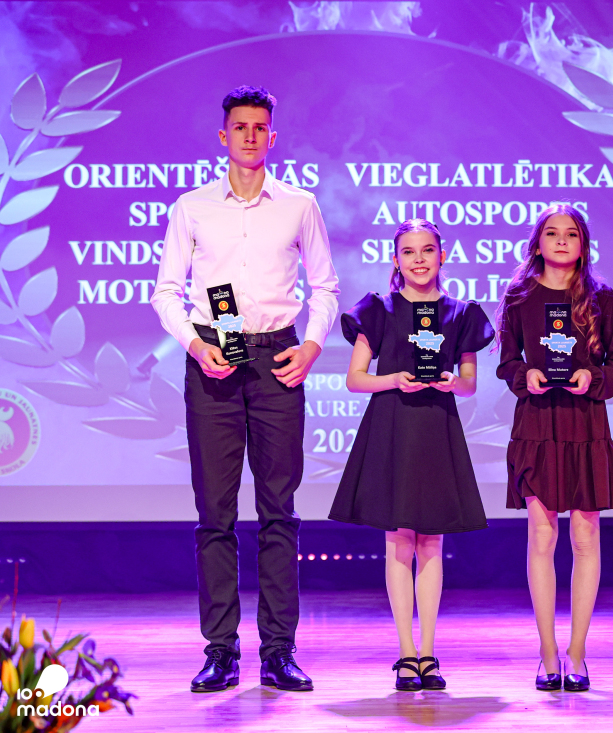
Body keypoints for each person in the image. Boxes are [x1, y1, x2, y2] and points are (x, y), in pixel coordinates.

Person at [151, 85, 339, 693]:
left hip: (278, 358)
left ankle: (279, 651)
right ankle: (221, 651)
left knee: (279, 510)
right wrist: (194, 344)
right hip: (214, 357)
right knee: (215, 512)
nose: (251, 136)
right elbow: (166, 292)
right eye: (240, 127)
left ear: (273, 137)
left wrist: (311, 347)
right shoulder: (192, 207)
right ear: (223, 136)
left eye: (260, 127)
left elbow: (325, 287)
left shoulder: (299, 205)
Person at [329, 219, 494, 691]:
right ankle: (405, 654)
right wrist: (395, 379)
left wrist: (453, 382)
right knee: (399, 541)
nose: (419, 259)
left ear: (442, 255)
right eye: (408, 251)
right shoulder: (378, 309)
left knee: (432, 543)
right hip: (393, 424)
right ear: (396, 260)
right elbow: (355, 378)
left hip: (437, 424)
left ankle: (429, 654)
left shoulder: (462, 313)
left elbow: (470, 384)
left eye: (427, 250)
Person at [495, 203, 613, 692]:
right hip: (537, 424)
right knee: (541, 534)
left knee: (585, 536)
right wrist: (525, 374)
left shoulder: (600, 297)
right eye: (551, 233)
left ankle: (577, 652)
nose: (560, 240)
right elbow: (506, 360)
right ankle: (547, 653)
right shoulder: (520, 295)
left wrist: (592, 377)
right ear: (537, 243)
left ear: (583, 243)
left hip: (585, 423)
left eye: (570, 233)